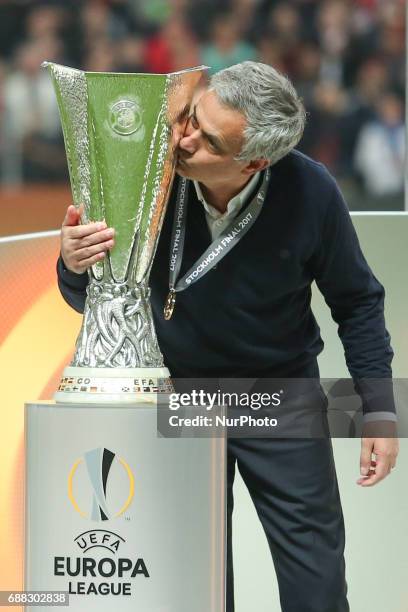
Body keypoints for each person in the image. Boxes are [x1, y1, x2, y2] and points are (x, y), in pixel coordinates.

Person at [57, 61, 399, 612]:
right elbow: (93, 300)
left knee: (318, 580)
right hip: (179, 396)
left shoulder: (311, 189)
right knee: (197, 583)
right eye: (191, 116)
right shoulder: (150, 174)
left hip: (280, 396)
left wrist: (379, 411)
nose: (183, 139)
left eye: (207, 138)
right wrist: (75, 264)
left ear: (255, 161)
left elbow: (358, 302)